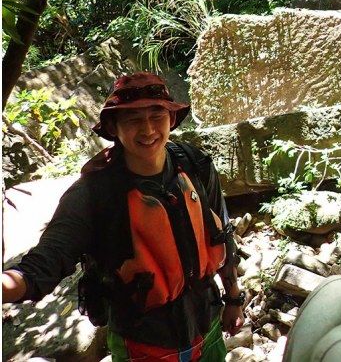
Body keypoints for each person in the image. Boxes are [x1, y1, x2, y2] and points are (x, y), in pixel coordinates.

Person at [2, 72, 244, 360]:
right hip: (141, 343)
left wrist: (234, 298)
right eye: (133, 120)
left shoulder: (195, 165)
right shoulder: (93, 194)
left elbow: (222, 235)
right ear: (114, 128)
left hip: (208, 322)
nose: (148, 129)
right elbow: (46, 261)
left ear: (171, 119)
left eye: (157, 115)